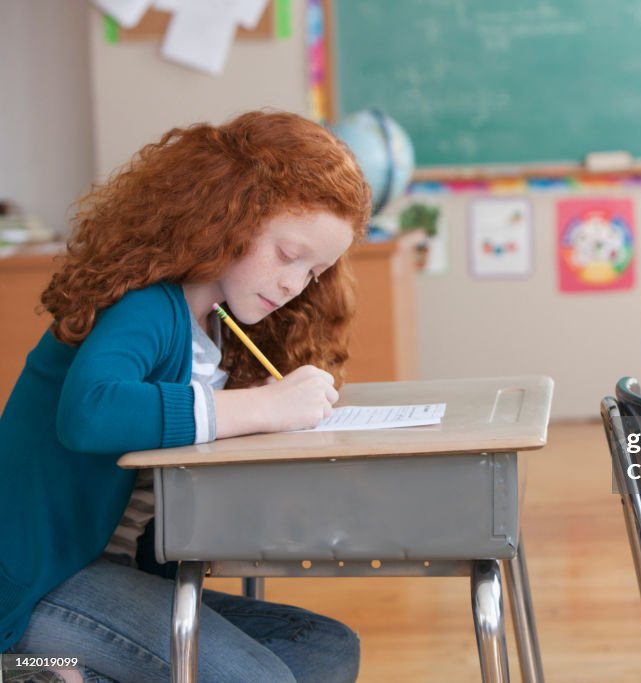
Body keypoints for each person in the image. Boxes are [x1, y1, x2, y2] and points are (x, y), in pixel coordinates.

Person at [0, 110, 372, 682]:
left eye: (314, 271)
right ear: (224, 216)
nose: (294, 284)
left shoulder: (216, 329)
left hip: (108, 571)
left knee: (324, 648)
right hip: (36, 584)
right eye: (288, 255)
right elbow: (90, 411)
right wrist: (260, 407)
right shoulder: (147, 304)